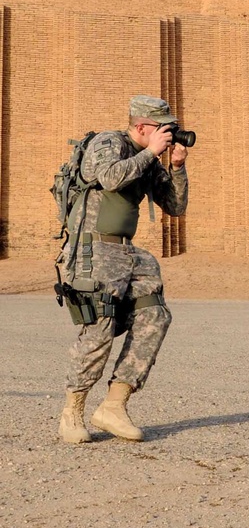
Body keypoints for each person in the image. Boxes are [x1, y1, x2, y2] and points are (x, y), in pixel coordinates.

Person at [57, 95, 189, 444]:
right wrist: (149, 154)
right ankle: (72, 411)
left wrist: (175, 166)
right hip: (92, 247)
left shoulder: (149, 159)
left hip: (127, 252)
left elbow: (175, 206)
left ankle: (114, 406)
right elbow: (110, 177)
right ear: (142, 126)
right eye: (163, 128)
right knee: (99, 329)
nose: (168, 134)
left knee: (155, 315)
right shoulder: (108, 142)